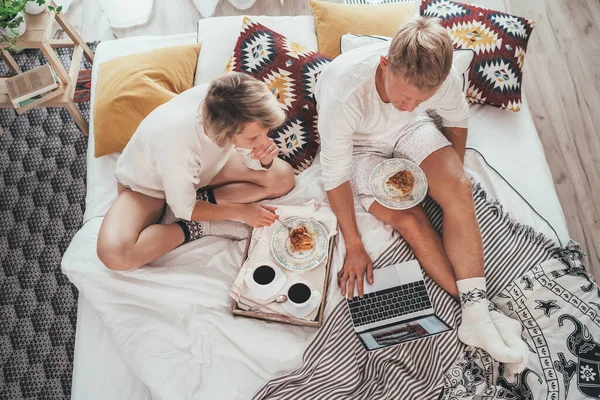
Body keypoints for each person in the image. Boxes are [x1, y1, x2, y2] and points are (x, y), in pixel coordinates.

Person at [315, 17, 528, 371]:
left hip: (412, 133)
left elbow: (456, 118)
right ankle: (484, 314)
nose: (409, 103)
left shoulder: (435, 84)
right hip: (359, 147)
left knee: (459, 190)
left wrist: (450, 174)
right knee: (410, 219)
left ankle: (476, 315)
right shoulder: (344, 91)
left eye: (420, 98)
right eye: (402, 95)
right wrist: (353, 243)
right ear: (385, 65)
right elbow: (334, 174)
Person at [97, 72, 295, 271]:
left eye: (264, 133)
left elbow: (244, 153)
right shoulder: (178, 146)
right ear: (224, 132)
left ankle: (204, 198)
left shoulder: (228, 99)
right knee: (115, 255)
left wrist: (264, 160)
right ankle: (198, 226)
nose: (263, 140)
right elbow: (183, 208)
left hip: (205, 169)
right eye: (254, 138)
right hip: (148, 188)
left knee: (283, 177)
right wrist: (241, 212)